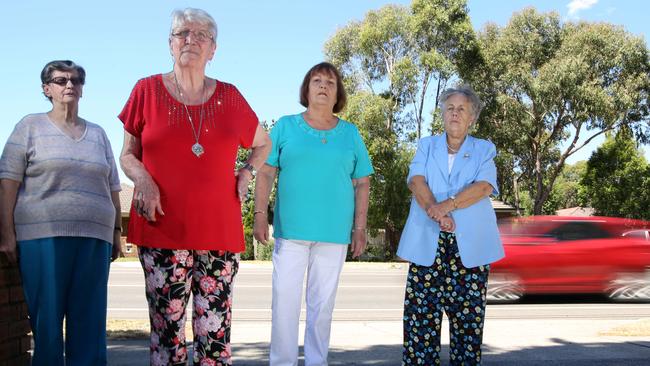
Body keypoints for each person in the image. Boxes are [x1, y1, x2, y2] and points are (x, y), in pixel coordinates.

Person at [118, 8, 271, 366]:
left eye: (202, 35)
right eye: (183, 33)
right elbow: (126, 154)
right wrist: (143, 179)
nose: (191, 39)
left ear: (213, 49)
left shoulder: (231, 97)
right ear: (170, 44)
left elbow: (263, 143)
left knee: (215, 337)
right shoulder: (146, 90)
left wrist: (246, 173)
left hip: (218, 231)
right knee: (167, 336)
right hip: (161, 229)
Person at [0, 60, 122, 366]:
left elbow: (113, 187)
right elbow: (8, 184)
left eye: (76, 80)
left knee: (91, 323)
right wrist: (6, 234)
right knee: (47, 324)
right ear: (47, 89)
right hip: (42, 237)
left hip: (95, 239)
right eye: (60, 80)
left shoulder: (98, 134)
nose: (70, 85)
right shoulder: (29, 127)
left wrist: (117, 232)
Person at [253, 62, 374, 366]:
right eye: (316, 81)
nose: (323, 86)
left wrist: (359, 229)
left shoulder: (350, 133)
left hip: (333, 234)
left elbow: (362, 182)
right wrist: (258, 213)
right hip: (291, 231)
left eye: (330, 82)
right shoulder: (285, 126)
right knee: (285, 303)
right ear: (306, 90)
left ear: (338, 93)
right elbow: (266, 172)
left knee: (322, 307)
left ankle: (316, 362)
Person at [397, 85, 504, 365]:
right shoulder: (426, 145)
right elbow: (415, 181)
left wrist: (447, 206)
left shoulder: (484, 149)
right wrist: (437, 212)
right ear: (442, 114)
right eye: (450, 108)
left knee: (467, 332)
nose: (455, 113)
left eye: (462, 109)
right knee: (420, 328)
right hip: (427, 247)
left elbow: (483, 187)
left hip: (469, 252)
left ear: (472, 118)